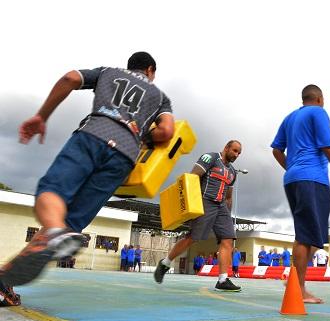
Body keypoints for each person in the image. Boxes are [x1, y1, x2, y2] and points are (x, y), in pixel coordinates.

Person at [0, 52, 174, 291]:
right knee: (69, 221)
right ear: (151, 70)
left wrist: (42, 116)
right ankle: (7, 279)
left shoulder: (108, 72)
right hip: (124, 155)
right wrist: (141, 135)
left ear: (131, 66)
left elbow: (70, 78)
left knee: (53, 192)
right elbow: (166, 132)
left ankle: (51, 232)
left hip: (93, 135)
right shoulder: (161, 98)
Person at [271, 84, 330, 304]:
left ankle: (293, 278)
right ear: (319, 98)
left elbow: (276, 149)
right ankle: (298, 289)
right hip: (312, 179)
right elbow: (328, 148)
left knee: (315, 238)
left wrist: (292, 168)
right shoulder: (318, 113)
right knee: (305, 235)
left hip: (294, 179)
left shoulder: (289, 118)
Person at [154, 141, 243, 292]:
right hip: (204, 201)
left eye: (239, 153)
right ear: (226, 148)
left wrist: (227, 214)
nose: (236, 155)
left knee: (228, 240)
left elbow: (228, 197)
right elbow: (193, 177)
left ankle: (222, 280)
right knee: (192, 238)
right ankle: (166, 263)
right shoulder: (210, 158)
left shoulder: (233, 172)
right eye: (234, 151)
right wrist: (191, 204)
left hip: (221, 206)